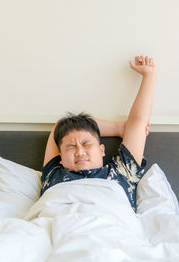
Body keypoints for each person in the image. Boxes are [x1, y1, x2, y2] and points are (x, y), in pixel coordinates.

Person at [40, 55, 156, 212]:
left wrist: (149, 75)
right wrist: (119, 129)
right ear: (60, 157)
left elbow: (138, 123)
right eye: (71, 147)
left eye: (86, 144)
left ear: (102, 150)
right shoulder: (53, 174)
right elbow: (59, 127)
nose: (80, 152)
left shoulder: (121, 172)